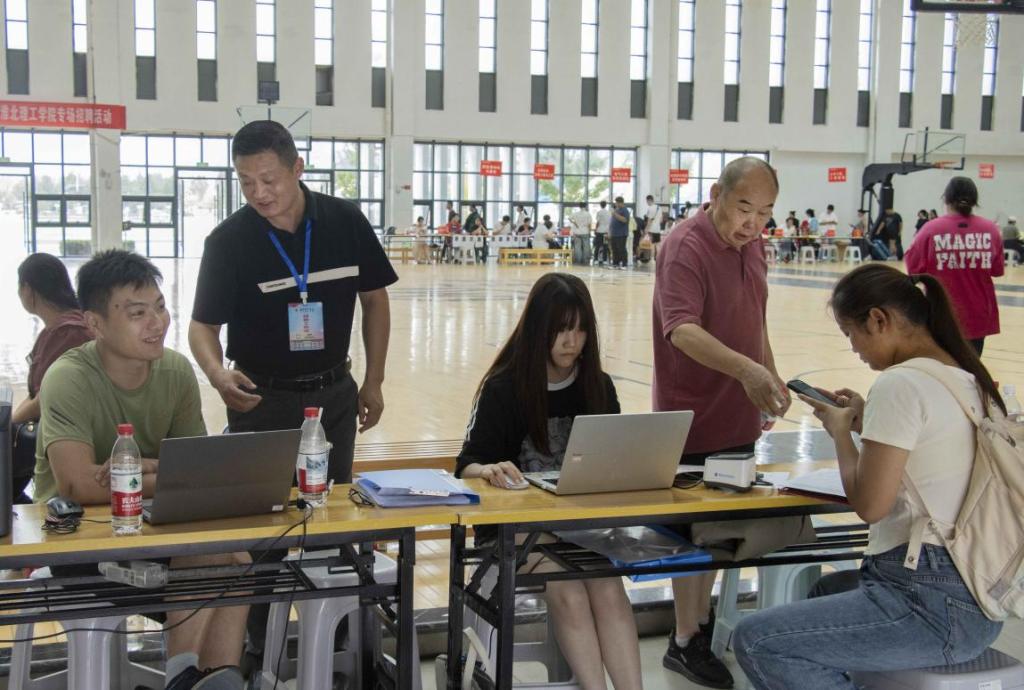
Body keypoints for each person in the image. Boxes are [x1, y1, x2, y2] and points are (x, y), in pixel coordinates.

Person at [734, 263, 1004, 689]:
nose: (853, 348)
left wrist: (841, 434)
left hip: (929, 602)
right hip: (975, 593)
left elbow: (870, 506)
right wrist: (865, 422)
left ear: (879, 320)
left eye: (850, 333)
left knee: (757, 640)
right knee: (826, 592)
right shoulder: (966, 377)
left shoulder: (900, 384)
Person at [36, 250, 250, 689]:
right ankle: (186, 677)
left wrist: (135, 471)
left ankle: (197, 679)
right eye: (137, 313)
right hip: (77, 546)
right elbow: (77, 486)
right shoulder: (68, 377)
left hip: (150, 534)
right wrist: (162, 470)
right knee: (221, 558)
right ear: (95, 324)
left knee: (233, 556)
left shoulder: (175, 371)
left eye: (160, 307)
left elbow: (197, 472)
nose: (157, 323)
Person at [455, 273, 642, 690]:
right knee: (569, 590)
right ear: (538, 329)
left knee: (609, 588)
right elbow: (465, 466)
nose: (571, 342)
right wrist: (486, 470)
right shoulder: (503, 389)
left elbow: (615, 461)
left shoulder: (598, 386)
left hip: (581, 529)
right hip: (514, 531)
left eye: (580, 329)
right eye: (560, 329)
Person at [189, 120, 397, 487]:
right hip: (260, 400)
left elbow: (375, 300)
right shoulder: (227, 242)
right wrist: (216, 373)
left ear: (297, 168)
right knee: (261, 504)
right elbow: (203, 325)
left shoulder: (346, 221)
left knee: (331, 502)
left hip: (334, 396)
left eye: (269, 180)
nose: (258, 193)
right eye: (246, 182)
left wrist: (374, 381)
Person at [653, 157, 790, 689]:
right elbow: (681, 329)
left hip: (740, 415)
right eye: (743, 207)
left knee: (722, 534)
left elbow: (756, 319)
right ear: (716, 194)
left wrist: (768, 377)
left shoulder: (752, 245)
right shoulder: (685, 246)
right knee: (693, 537)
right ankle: (685, 639)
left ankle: (700, 625)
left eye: (765, 212)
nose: (753, 222)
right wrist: (748, 371)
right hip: (693, 417)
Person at [12, 254, 93, 501]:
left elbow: (44, 397)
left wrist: (9, 424)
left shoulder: (68, 332)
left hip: (62, 432)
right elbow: (35, 395)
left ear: (28, 290)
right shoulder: (60, 328)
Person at [905, 176, 1004, 355]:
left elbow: (913, 270)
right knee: (971, 367)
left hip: (941, 313)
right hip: (978, 314)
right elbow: (996, 270)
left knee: (941, 368)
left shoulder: (930, 229)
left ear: (946, 199)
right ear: (974, 200)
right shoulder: (991, 230)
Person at [609, 196, 630, 269]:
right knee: (614, 249)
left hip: (621, 233)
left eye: (617, 203)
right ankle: (615, 264)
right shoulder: (617, 210)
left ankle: (624, 264)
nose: (616, 204)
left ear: (621, 203)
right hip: (614, 233)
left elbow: (624, 220)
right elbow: (612, 221)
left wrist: (615, 214)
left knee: (621, 249)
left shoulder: (625, 210)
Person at [594, 200, 611, 265]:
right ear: (606, 205)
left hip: (599, 231)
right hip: (606, 232)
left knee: (597, 246)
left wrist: (595, 229)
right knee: (605, 246)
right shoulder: (609, 213)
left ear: (600, 205)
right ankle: (604, 260)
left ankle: (596, 260)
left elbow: (598, 222)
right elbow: (610, 223)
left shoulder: (599, 212)